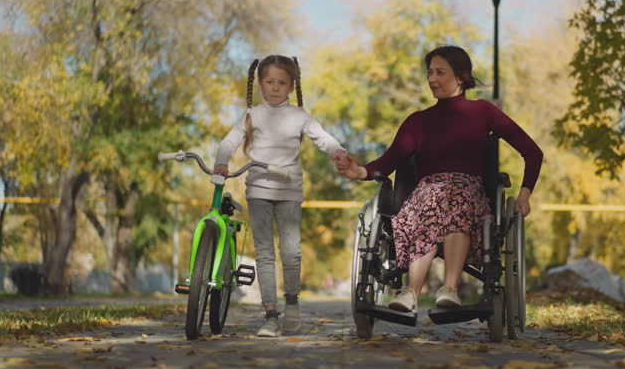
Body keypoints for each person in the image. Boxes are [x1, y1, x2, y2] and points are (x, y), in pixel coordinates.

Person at [335, 45, 542, 312]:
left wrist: (525, 194)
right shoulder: (417, 122)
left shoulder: (482, 112)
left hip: (470, 197)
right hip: (424, 199)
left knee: (454, 197)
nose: (432, 79)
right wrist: (359, 171)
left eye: (440, 72)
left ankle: (449, 289)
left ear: (461, 76)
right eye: (430, 72)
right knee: (434, 200)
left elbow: (533, 152)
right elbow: (388, 162)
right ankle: (411, 291)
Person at [214, 55, 346, 337]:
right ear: (260, 84)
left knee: (291, 252)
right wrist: (222, 161)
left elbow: (322, 137)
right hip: (259, 190)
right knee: (264, 253)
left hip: (289, 191)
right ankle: (271, 314)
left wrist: (338, 151)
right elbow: (229, 140)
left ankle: (293, 301)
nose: (275, 88)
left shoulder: (299, 116)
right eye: (270, 82)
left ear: (291, 86)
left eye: (282, 83)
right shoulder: (253, 115)